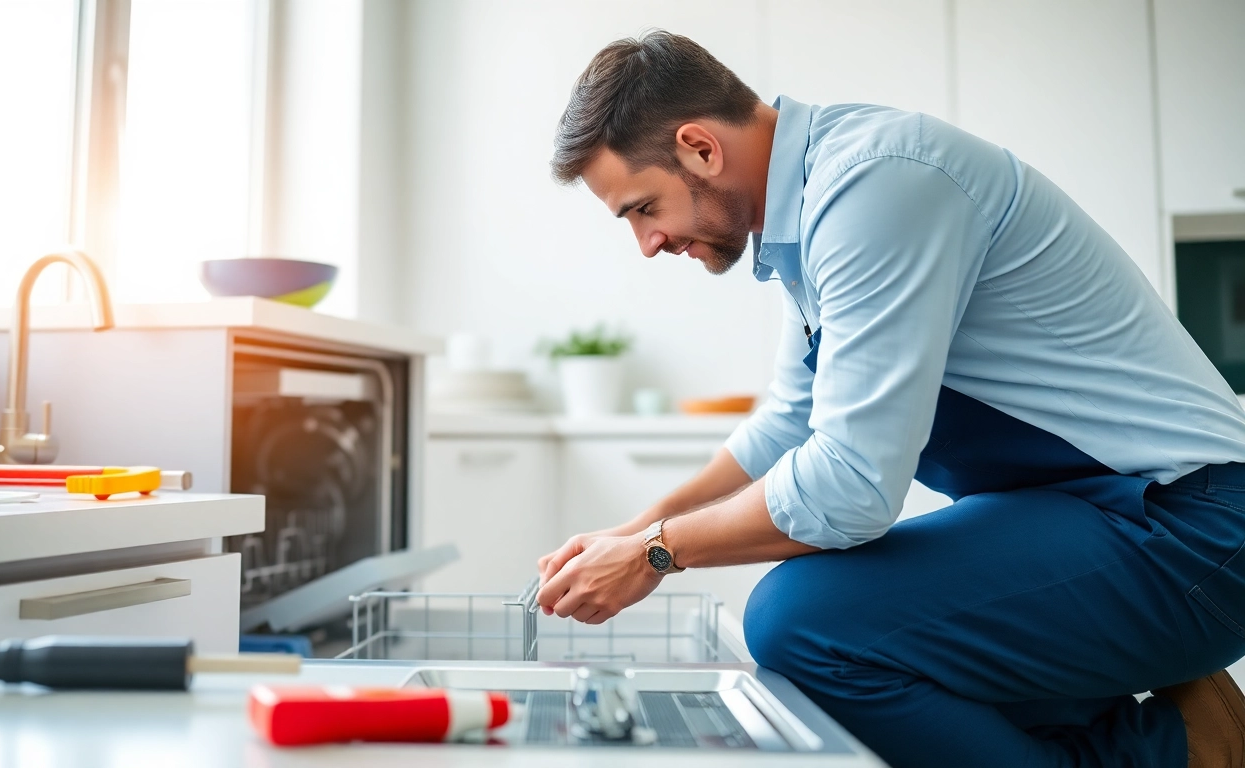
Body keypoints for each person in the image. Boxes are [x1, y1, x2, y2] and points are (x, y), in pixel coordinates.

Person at [533, 29, 1245, 768]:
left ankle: (1177, 750)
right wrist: (638, 526)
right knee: (838, 621)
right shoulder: (813, 202)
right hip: (1099, 511)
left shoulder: (874, 185)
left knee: (804, 624)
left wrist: (656, 555)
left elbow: (851, 489)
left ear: (700, 148)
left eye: (643, 209)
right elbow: (791, 419)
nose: (647, 243)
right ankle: (1176, 720)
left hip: (1196, 530)